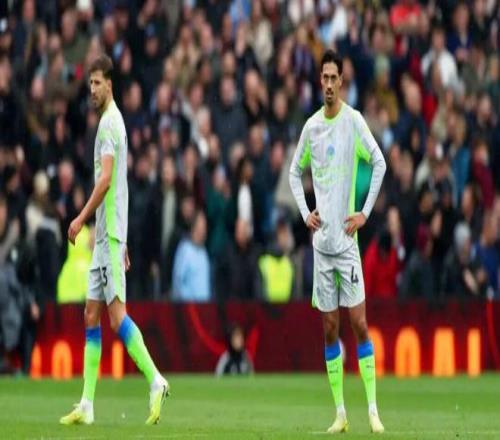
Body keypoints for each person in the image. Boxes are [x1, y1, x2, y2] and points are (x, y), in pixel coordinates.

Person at [59, 54, 169, 426]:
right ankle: (87, 404)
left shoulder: (109, 125)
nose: (91, 89)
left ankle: (155, 380)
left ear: (110, 84)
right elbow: (119, 184)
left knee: (116, 316)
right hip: (109, 236)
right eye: (89, 83)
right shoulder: (113, 121)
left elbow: (106, 180)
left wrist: (80, 218)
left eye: (97, 83)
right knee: (90, 314)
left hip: (107, 237)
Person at [289, 50, 386, 434]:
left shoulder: (353, 122)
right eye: (324, 78)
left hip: (346, 245)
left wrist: (364, 213)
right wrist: (305, 213)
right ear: (320, 81)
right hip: (321, 248)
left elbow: (379, 162)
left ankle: (373, 409)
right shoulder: (312, 127)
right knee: (330, 329)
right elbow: (294, 172)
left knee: (359, 323)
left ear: (342, 82)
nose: (329, 84)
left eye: (334, 78)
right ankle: (341, 413)